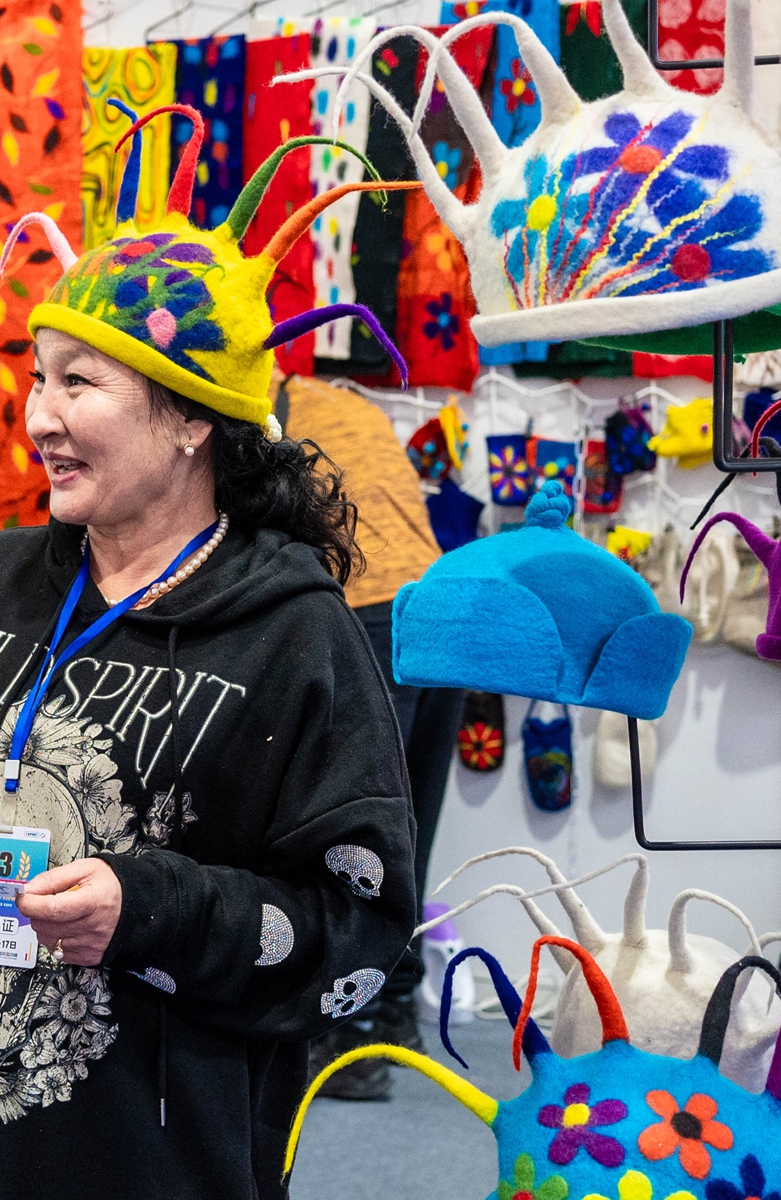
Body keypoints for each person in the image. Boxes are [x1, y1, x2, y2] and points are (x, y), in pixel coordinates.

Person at [0, 107, 419, 1199]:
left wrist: (150, 911)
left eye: (77, 383)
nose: (37, 414)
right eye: (36, 377)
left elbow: (359, 937)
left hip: (136, 1161)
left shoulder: (294, 636)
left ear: (190, 419)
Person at [283, 376, 467, 1100]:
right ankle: (394, 1018)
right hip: (439, 610)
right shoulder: (345, 401)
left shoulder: (264, 416)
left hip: (371, 611)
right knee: (406, 834)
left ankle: (350, 1042)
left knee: (350, 838)